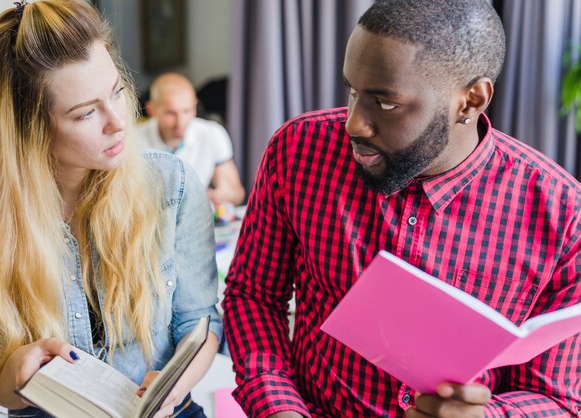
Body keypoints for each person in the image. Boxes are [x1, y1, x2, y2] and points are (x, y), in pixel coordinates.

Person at [222, 0, 581, 417]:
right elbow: (253, 294)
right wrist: (278, 406)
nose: (355, 124)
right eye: (353, 92)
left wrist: (487, 416)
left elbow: (557, 397)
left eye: (385, 103)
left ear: (471, 101)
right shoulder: (299, 151)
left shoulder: (563, 215)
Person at [0, 1, 222, 417]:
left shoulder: (173, 186)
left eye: (116, 91)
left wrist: (174, 383)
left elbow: (202, 325)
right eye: (85, 113)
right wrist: (17, 374)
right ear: (27, 131)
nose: (119, 121)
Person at [137, 72, 245, 207]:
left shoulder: (213, 134)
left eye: (187, 111)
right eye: (171, 113)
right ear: (152, 109)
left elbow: (237, 193)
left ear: (195, 105)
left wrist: (222, 194)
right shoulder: (132, 141)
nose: (180, 122)